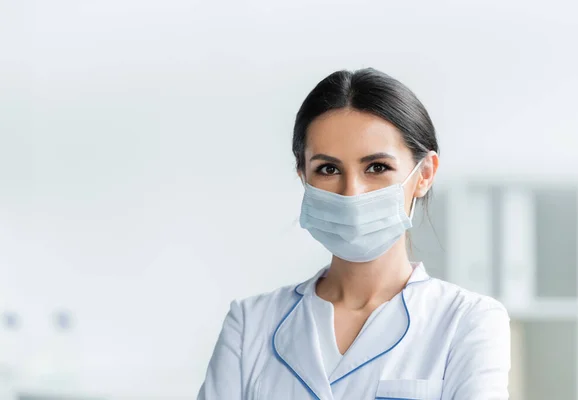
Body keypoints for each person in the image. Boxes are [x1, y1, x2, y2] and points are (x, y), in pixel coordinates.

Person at [197, 68, 510, 400]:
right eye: (328, 169)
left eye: (376, 167)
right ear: (303, 175)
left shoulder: (467, 322)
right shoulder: (250, 324)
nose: (351, 192)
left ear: (425, 174)